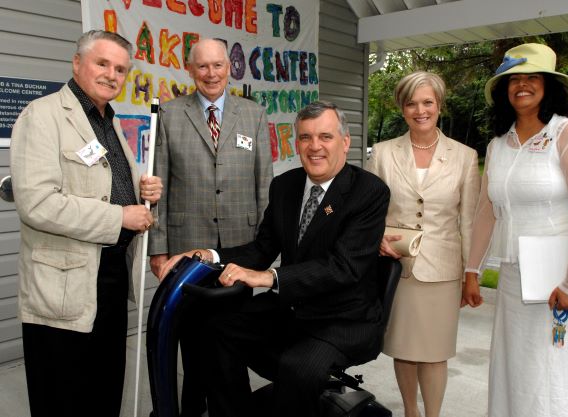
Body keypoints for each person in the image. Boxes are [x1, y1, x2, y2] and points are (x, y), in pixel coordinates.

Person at [159, 101, 390, 417]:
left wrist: (270, 277)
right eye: (305, 138)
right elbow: (261, 249)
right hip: (293, 311)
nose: (314, 147)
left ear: (345, 142)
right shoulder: (285, 185)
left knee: (298, 368)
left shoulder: (369, 191)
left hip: (344, 319)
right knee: (212, 328)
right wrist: (207, 255)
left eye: (325, 137)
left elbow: (343, 268)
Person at [462, 43, 568, 416]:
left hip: (561, 281)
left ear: (548, 85)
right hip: (513, 279)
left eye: (531, 77)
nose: (522, 85)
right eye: (513, 79)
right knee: (519, 372)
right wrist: (472, 269)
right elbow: (487, 211)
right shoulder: (499, 145)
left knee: (559, 373)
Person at [10, 30, 163, 417]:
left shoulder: (108, 121)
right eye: (102, 63)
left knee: (104, 387)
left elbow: (102, 185)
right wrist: (120, 215)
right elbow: (37, 204)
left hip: (109, 277)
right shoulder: (42, 115)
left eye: (121, 69)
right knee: (64, 395)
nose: (112, 74)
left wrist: (140, 192)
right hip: (64, 282)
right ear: (77, 63)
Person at [148, 37, 273, 416]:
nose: (211, 73)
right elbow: (160, 188)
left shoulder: (253, 115)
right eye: (202, 66)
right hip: (188, 248)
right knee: (189, 334)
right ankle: (190, 408)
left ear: (230, 68)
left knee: (228, 336)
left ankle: (226, 407)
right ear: (190, 70)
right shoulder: (170, 115)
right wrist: (158, 250)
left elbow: (263, 185)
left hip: (241, 245)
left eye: (218, 65)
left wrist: (269, 247)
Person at [367, 71, 480, 417]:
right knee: (404, 347)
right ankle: (410, 411)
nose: (420, 110)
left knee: (434, 351)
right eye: (412, 103)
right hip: (397, 269)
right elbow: (368, 212)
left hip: (442, 271)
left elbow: (469, 222)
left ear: (439, 105)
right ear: (402, 108)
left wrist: (470, 274)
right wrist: (379, 240)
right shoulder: (383, 154)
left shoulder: (464, 156)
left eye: (427, 102)